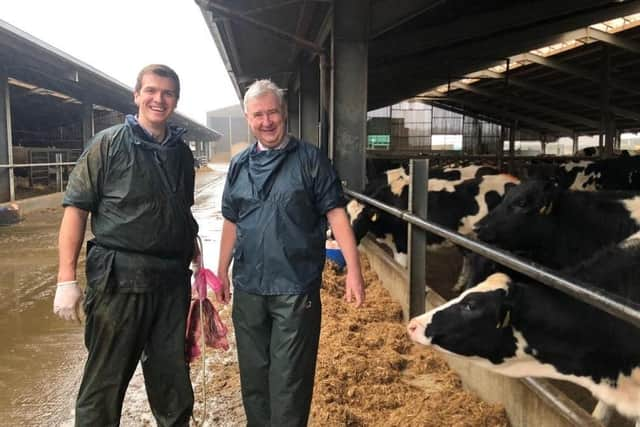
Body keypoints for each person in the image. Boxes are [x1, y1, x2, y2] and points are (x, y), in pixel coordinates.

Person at [53, 64, 199, 426]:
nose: (158, 99)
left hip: (170, 283)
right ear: (136, 96)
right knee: (104, 384)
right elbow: (76, 210)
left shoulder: (181, 154)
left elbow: (180, 208)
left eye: (167, 93)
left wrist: (190, 243)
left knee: (173, 383)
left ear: (175, 101)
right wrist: (65, 279)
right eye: (151, 90)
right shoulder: (107, 144)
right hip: (119, 280)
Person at [217, 79, 365, 427]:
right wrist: (221, 271)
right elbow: (230, 222)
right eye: (258, 115)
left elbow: (337, 216)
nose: (266, 121)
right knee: (254, 378)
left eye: (272, 113)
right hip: (249, 287)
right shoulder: (238, 166)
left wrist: (354, 271)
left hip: (295, 290)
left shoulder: (310, 160)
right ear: (247, 118)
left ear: (284, 114)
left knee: (289, 381)